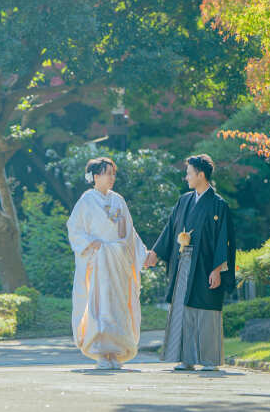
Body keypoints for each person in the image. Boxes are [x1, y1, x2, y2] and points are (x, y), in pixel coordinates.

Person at [144, 154, 236, 371]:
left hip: (205, 265)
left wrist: (217, 270)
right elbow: (170, 229)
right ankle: (185, 358)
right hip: (183, 263)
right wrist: (155, 253)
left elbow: (225, 240)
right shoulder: (184, 200)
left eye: (189, 173)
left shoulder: (218, 205)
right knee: (182, 309)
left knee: (206, 310)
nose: (186, 177)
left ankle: (210, 360)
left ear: (200, 175)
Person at [66, 157, 148, 369]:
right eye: (107, 173)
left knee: (118, 305)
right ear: (95, 176)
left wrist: (142, 254)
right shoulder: (86, 200)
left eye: (113, 173)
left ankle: (116, 352)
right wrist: (89, 243)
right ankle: (101, 353)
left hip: (118, 261)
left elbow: (130, 232)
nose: (112, 177)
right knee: (99, 306)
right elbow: (74, 228)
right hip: (98, 261)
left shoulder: (118, 200)